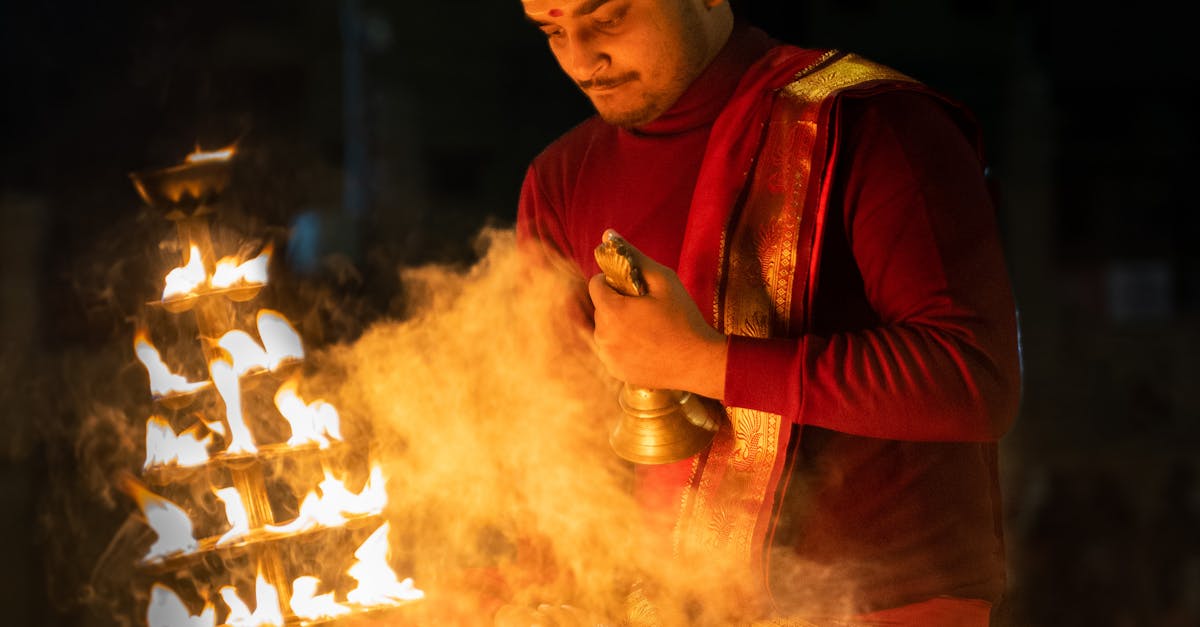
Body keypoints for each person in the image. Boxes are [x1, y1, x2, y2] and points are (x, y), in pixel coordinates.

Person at [513, 0, 1022, 625]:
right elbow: (556, 435)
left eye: (610, 17)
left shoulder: (868, 120)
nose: (581, 57)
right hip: (661, 607)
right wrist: (532, 586)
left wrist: (704, 362)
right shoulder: (562, 177)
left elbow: (973, 381)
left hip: (882, 605)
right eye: (553, 31)